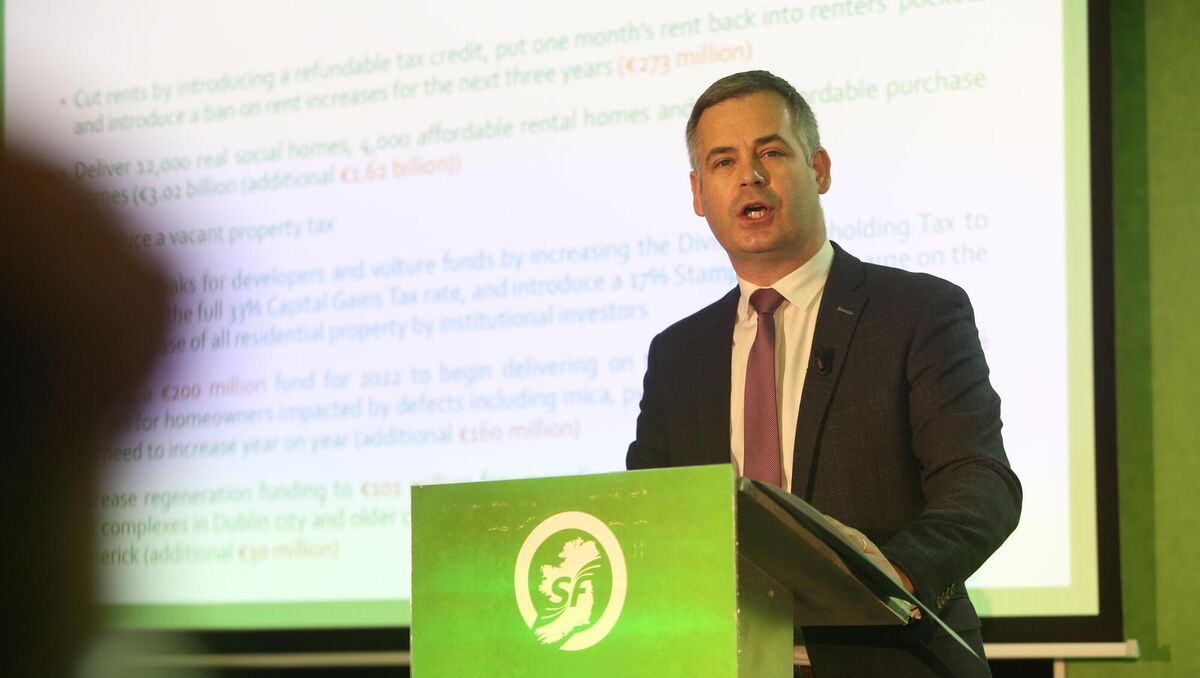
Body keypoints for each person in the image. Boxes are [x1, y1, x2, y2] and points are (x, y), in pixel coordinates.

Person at [625, 70, 1022, 677]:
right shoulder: (678, 354)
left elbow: (982, 482)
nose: (750, 177)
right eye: (723, 161)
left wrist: (891, 575)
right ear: (699, 194)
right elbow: (648, 513)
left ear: (820, 169)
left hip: (891, 661)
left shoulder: (917, 312)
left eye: (771, 153)